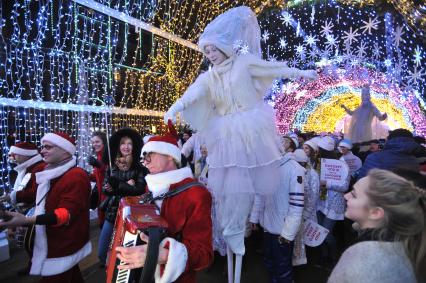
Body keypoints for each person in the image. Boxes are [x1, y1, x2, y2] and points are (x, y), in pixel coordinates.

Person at [163, 8, 317, 280]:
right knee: (229, 182)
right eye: (206, 51)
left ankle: (243, 227)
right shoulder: (209, 76)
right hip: (225, 130)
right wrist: (174, 107)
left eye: (212, 49)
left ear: (223, 46)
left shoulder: (243, 62)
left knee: (251, 178)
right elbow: (192, 94)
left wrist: (299, 72)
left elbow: (271, 68)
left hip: (249, 125)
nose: (209, 55)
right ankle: (233, 230)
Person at [115, 120, 213, 283]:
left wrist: (161, 254)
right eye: (142, 157)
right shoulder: (152, 187)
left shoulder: (196, 194)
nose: (145, 161)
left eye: (149, 155)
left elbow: (204, 255)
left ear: (169, 155)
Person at [0, 132, 92, 283]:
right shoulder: (51, 173)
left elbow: (65, 214)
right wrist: (22, 219)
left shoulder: (75, 176)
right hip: (54, 241)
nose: (42, 151)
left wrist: (29, 220)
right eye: (43, 147)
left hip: (63, 244)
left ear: (65, 150)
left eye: (48, 147)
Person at [328, 169, 426, 283]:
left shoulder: (364, 265)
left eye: (354, 195)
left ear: (375, 213)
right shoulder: (401, 245)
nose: (346, 196)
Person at [249, 145, 305, 283]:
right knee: (269, 260)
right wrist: (254, 218)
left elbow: (296, 206)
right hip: (268, 225)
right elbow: (259, 195)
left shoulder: (295, 169)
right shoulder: (267, 167)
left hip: (282, 229)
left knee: (282, 266)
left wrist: (288, 233)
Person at [98, 128, 147, 265]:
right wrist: (124, 185)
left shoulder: (139, 168)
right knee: (102, 252)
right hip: (112, 211)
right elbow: (105, 189)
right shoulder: (112, 166)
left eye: (129, 143)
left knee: (125, 253)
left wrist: (118, 185)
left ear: (134, 146)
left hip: (131, 215)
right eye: (123, 143)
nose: (126, 146)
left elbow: (139, 189)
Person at [6, 141, 45, 276]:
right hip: (28, 211)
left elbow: (35, 193)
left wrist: (14, 195)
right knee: (31, 243)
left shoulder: (38, 168)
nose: (12, 157)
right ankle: (34, 264)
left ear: (26, 155)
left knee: (34, 242)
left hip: (36, 211)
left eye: (16, 154)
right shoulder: (27, 168)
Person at [316, 136, 350, 268]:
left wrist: (327, 183)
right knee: (319, 231)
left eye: (319, 149)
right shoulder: (319, 163)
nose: (317, 151)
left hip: (334, 203)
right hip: (320, 202)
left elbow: (344, 186)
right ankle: (324, 256)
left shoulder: (342, 165)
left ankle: (334, 258)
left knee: (327, 234)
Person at [88, 131, 108, 228]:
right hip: (101, 193)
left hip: (108, 193)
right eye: (93, 142)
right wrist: (86, 175)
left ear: (103, 142)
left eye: (97, 142)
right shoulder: (98, 155)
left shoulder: (108, 155)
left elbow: (110, 172)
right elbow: (97, 177)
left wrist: (99, 165)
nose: (95, 144)